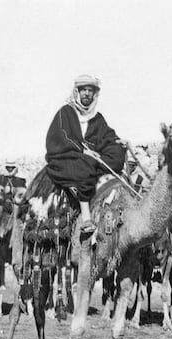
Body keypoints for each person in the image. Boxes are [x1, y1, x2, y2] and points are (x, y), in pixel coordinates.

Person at [44, 74, 127, 234]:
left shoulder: (97, 117)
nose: (87, 94)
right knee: (86, 164)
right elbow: (60, 136)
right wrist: (83, 150)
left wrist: (118, 142)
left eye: (90, 90)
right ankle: (86, 217)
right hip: (67, 157)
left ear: (95, 94)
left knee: (116, 154)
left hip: (92, 157)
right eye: (84, 90)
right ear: (77, 92)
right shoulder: (65, 112)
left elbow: (107, 136)